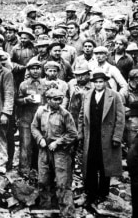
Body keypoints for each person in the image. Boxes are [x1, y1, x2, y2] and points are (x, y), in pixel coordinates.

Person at [78, 68, 125, 207]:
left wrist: (117, 136)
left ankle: (103, 193)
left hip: (107, 136)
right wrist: (80, 133)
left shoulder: (114, 96)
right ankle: (91, 193)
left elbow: (120, 118)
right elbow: (81, 116)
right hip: (91, 136)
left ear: (105, 82)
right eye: (96, 82)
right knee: (90, 164)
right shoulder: (87, 95)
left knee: (105, 165)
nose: (98, 84)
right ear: (93, 83)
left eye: (101, 82)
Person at [31, 88, 77, 217]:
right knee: (43, 179)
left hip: (60, 152)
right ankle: (46, 207)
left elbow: (73, 133)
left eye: (60, 99)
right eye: (55, 99)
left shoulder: (65, 114)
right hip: (44, 150)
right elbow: (34, 127)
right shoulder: (41, 111)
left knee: (63, 182)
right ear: (48, 100)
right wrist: (40, 139)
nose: (59, 102)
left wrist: (58, 142)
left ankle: (67, 212)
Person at [16, 57, 45, 176]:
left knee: (40, 144)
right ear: (28, 70)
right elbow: (17, 100)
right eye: (32, 69)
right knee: (25, 145)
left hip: (42, 119)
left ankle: (39, 170)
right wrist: (25, 100)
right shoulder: (23, 84)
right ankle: (24, 171)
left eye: (37, 68)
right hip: (27, 118)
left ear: (41, 70)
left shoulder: (46, 84)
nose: (35, 71)